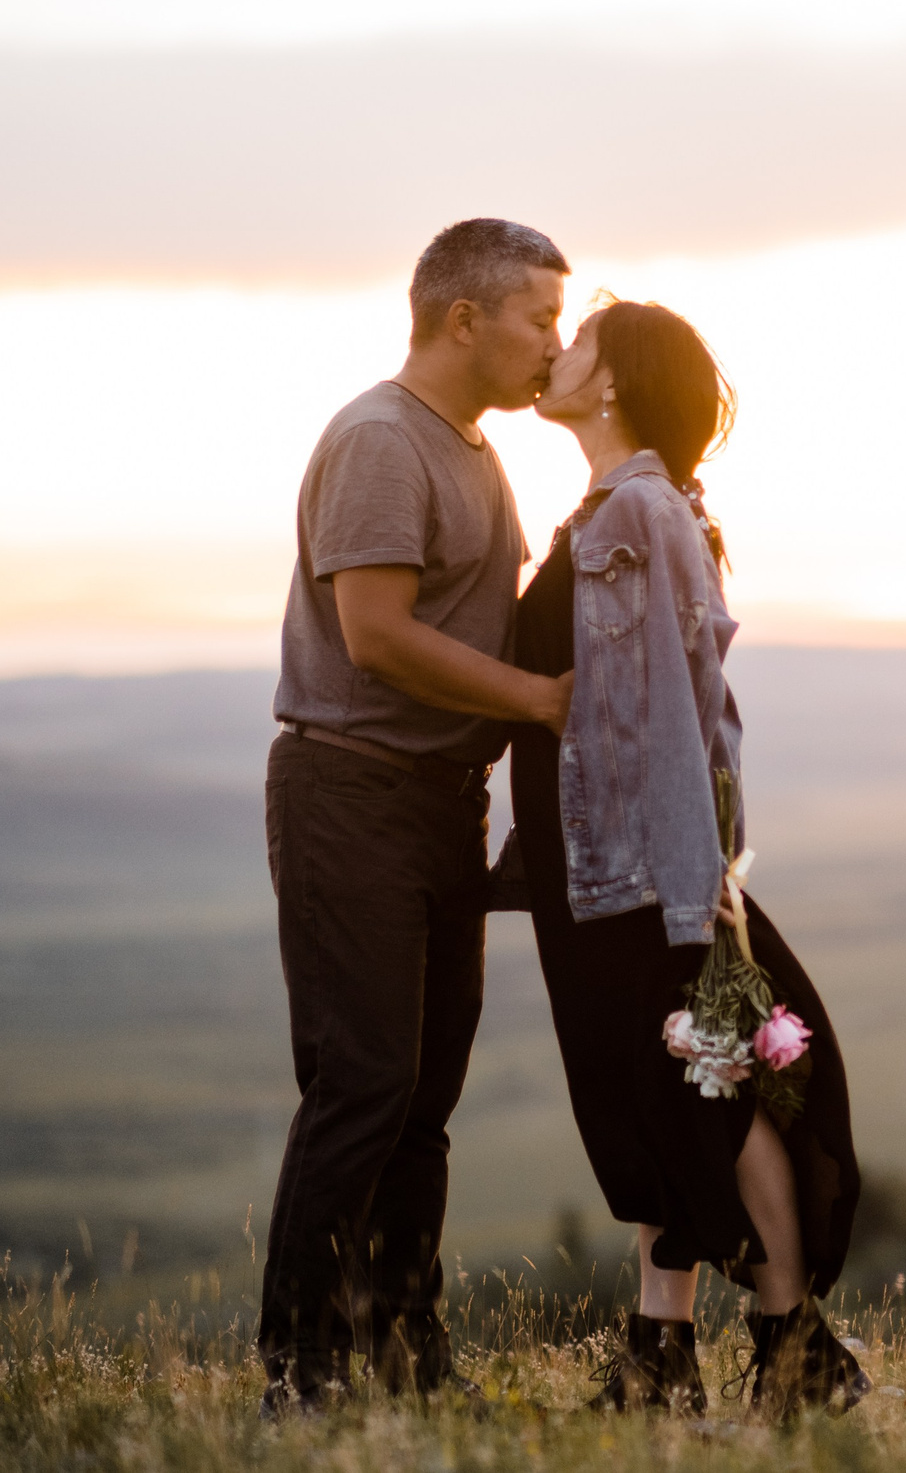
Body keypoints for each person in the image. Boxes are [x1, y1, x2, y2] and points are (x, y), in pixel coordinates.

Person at [496, 297, 865, 1417]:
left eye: (579, 343)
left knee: (717, 1088)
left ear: (612, 385)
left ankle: (792, 1353)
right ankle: (667, 1362)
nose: (555, 354)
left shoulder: (639, 516)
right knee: (673, 1094)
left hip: (637, 871)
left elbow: (674, 714)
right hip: (621, 862)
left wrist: (687, 887)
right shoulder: (625, 510)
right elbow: (709, 713)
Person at [260, 218, 575, 1412]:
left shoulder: (474, 449)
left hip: (442, 806)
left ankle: (407, 1358)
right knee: (362, 1088)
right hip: (353, 794)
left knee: (422, 1104)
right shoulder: (384, 439)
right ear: (464, 319)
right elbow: (376, 636)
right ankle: (302, 1370)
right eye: (540, 318)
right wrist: (543, 701)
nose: (554, 343)